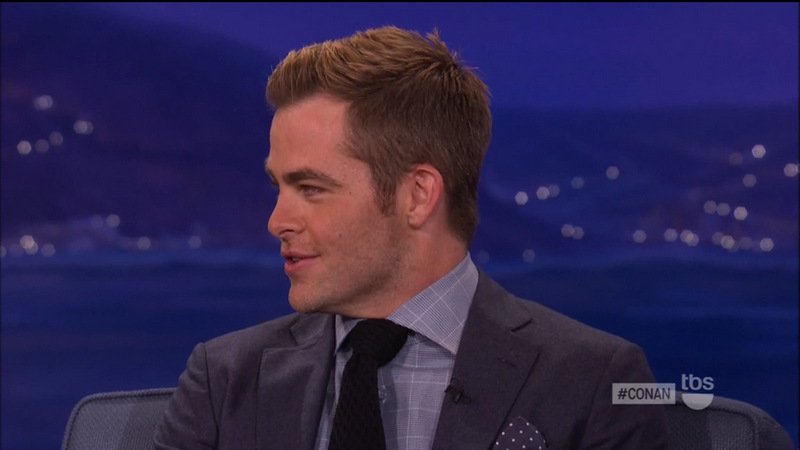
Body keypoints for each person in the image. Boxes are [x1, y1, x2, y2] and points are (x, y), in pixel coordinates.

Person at [155, 25, 670, 449]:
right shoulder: (223, 381)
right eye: (279, 186)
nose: (277, 221)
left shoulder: (592, 382)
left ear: (418, 196)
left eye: (311, 188)